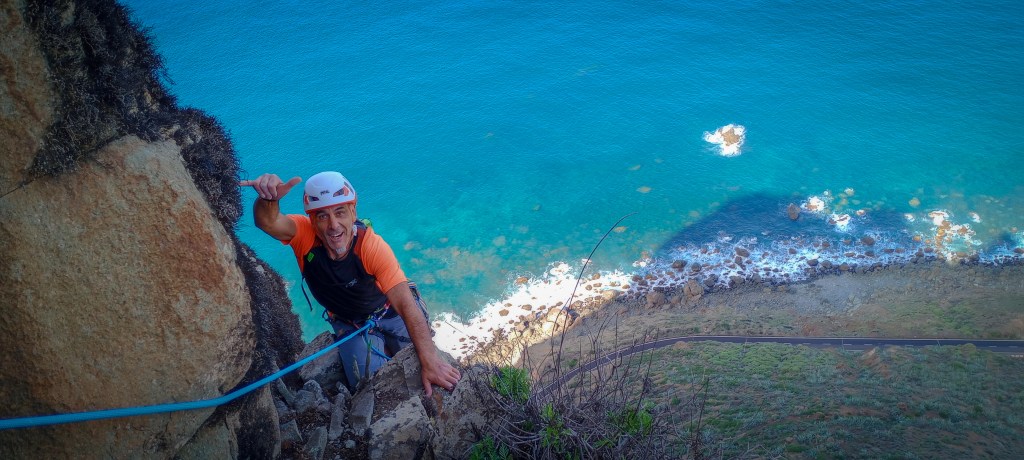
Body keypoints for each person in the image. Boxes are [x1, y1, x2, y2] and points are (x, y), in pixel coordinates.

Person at [240, 172, 460, 395]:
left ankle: (392, 346)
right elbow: (267, 221)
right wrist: (268, 199)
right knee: (369, 386)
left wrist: (431, 362)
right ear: (312, 221)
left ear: (353, 212)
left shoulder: (370, 247)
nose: (333, 225)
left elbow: (404, 303)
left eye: (340, 212)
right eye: (322, 216)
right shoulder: (305, 236)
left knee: (417, 356)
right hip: (350, 322)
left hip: (390, 312)